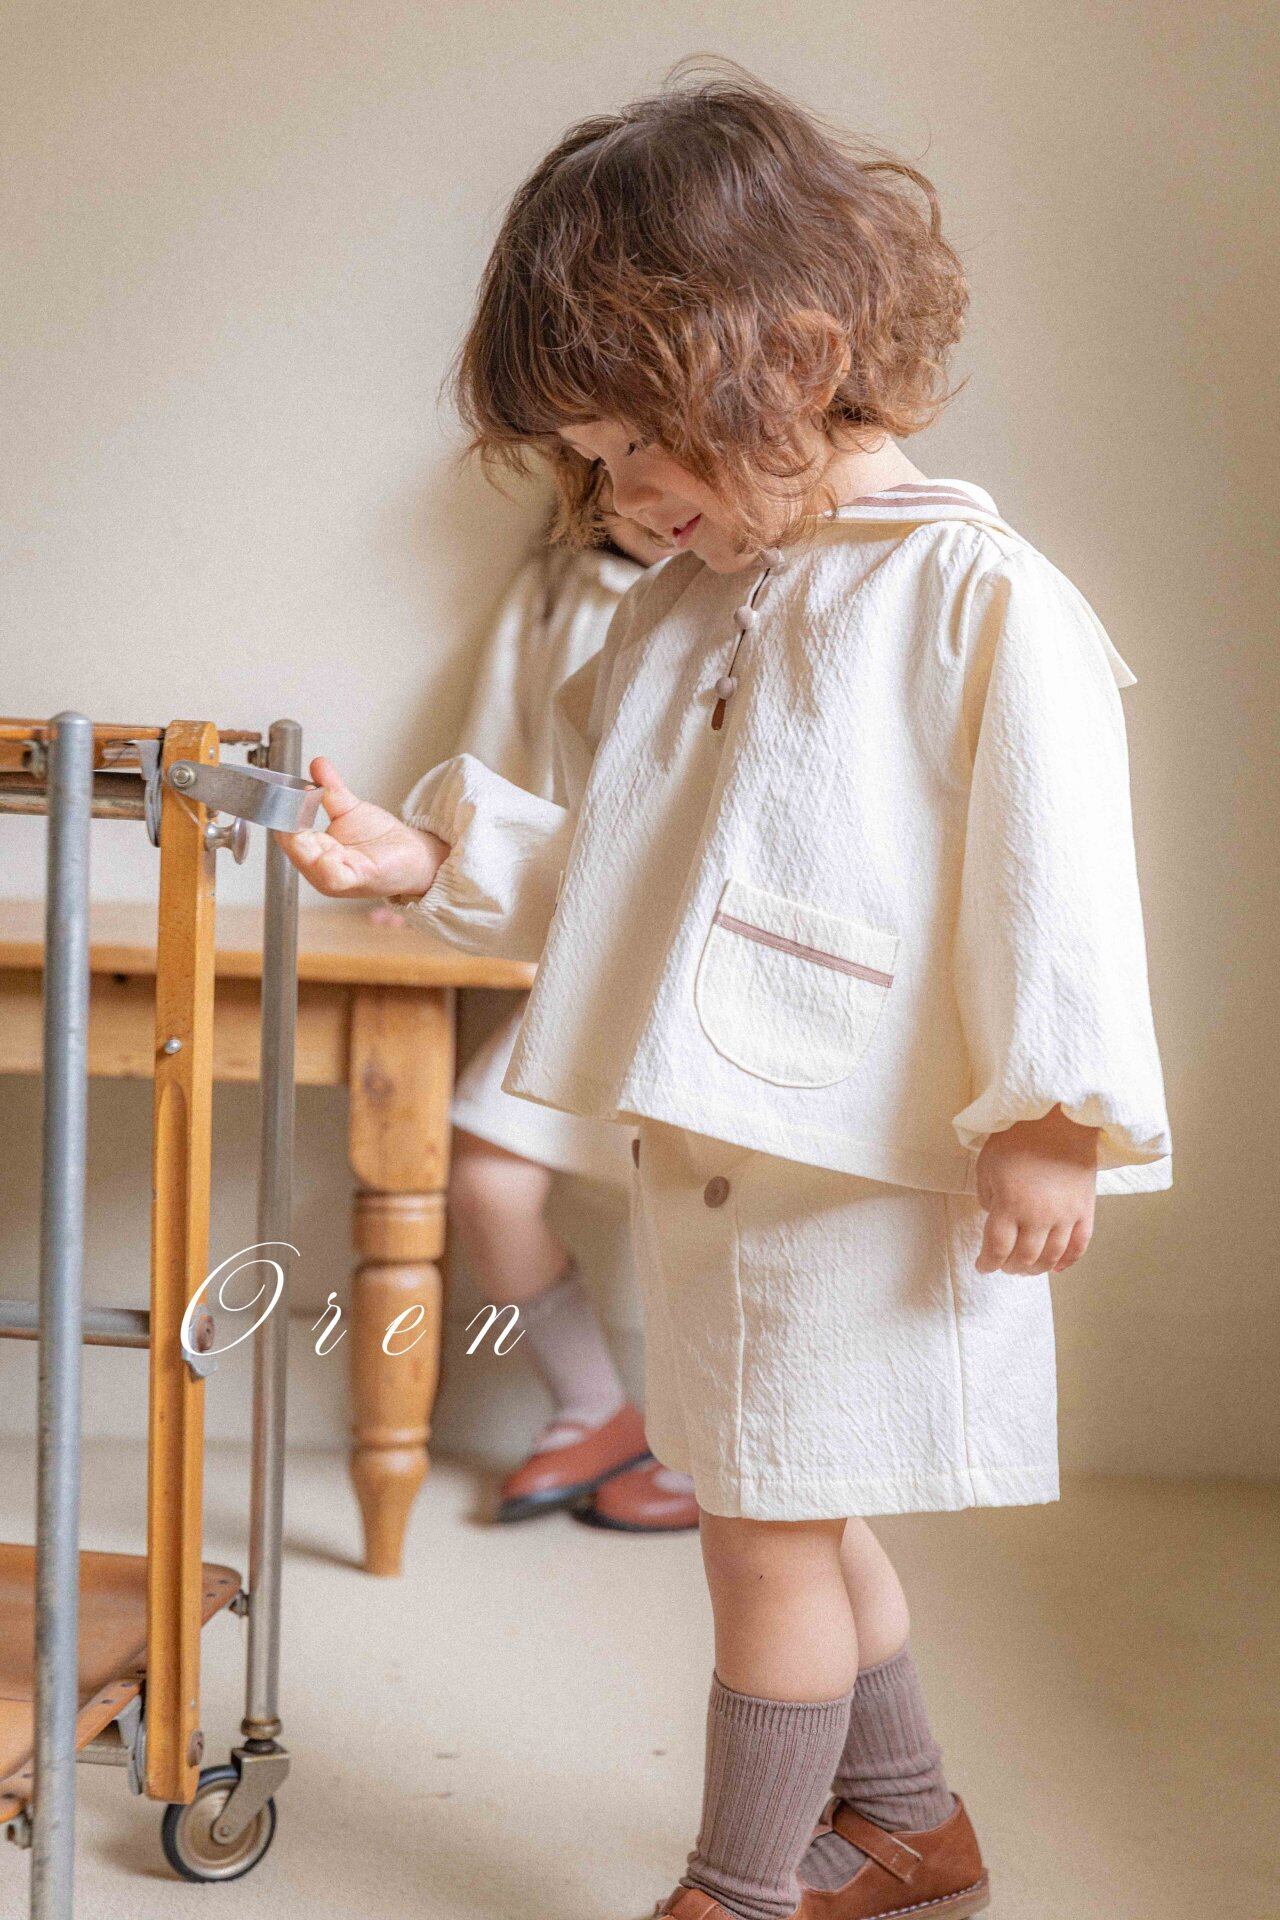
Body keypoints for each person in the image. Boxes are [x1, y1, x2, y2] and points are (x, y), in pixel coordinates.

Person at [278, 69, 1172, 1920]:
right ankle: (909, 1828)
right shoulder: (692, 606)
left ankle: (742, 1888)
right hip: (730, 1158)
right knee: (794, 1504)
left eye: (633, 448)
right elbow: (638, 866)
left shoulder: (974, 595)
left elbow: (1060, 880)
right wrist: (432, 862)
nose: (618, 497)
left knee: (762, 1536)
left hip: (859, 1165)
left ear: (780, 363)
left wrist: (1058, 1117)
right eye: (595, 461)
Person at [437, 500, 699, 1531]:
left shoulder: (741, 592)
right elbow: (498, 730)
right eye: (611, 467)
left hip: (694, 953)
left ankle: (720, 1457)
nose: (644, 500)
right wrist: (442, 857)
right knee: (487, 1167)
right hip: (580, 938)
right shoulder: (557, 590)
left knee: (703, 1210)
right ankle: (594, 1408)